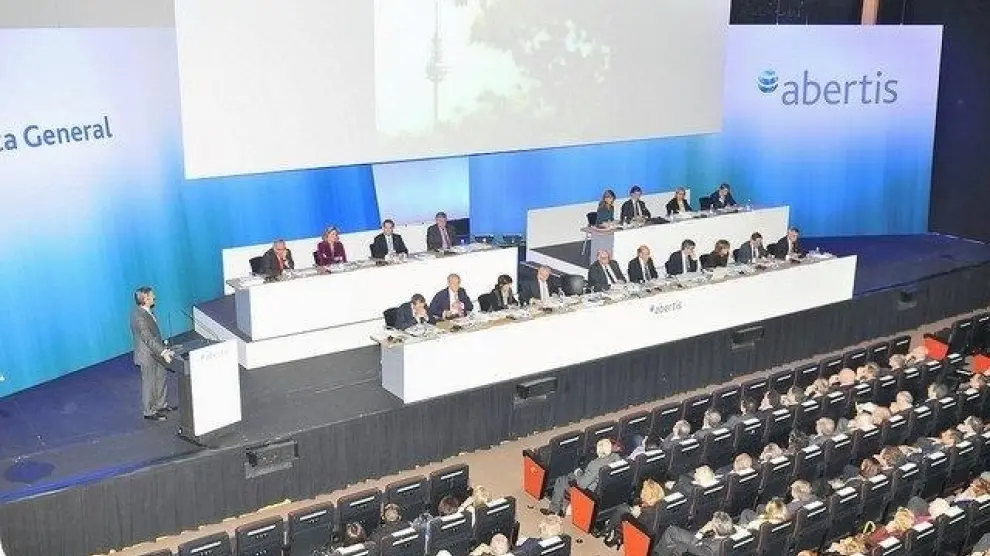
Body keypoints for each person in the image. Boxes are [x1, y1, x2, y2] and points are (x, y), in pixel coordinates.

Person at [131, 287, 175, 422]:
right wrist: (163, 352)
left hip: (156, 352)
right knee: (149, 383)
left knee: (161, 377)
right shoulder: (139, 317)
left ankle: (160, 405)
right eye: (152, 295)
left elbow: (155, 334)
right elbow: (148, 338)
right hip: (147, 355)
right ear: (145, 299)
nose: (154, 297)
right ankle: (149, 411)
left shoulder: (148, 311)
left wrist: (163, 348)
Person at [546, 438, 620, 515]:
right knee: (570, 475)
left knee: (561, 480)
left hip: (589, 492)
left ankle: (553, 510)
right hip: (605, 491)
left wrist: (578, 472)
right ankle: (565, 506)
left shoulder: (595, 464)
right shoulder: (616, 457)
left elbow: (582, 485)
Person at [656, 511, 738, 556]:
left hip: (692, 549)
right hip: (702, 542)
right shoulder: (729, 536)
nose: (710, 522)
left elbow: (693, 547)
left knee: (672, 531)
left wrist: (703, 530)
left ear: (715, 528)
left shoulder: (710, 550)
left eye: (712, 522)